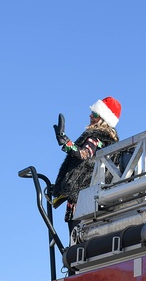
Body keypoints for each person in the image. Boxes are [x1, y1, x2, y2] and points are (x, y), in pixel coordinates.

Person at [49, 97, 122, 234]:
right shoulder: (112, 143)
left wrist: (65, 141)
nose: (90, 116)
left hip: (81, 199)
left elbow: (84, 154)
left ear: (103, 120)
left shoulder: (95, 137)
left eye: (95, 114)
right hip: (97, 199)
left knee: (76, 239)